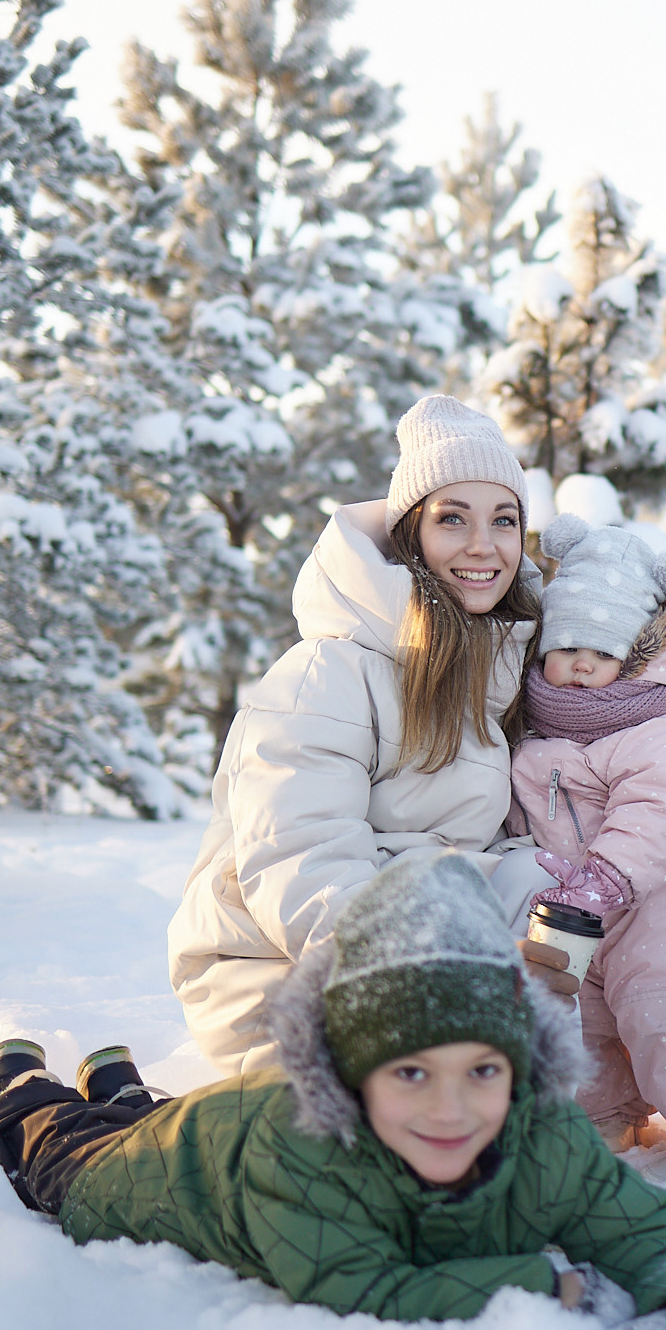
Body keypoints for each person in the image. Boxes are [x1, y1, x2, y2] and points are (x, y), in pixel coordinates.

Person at [0, 852, 666, 1330]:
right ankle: (14, 1082)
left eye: (481, 1071)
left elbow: (649, 1231)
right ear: (350, 1075)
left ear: (522, 1066)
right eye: (411, 1072)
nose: (450, 1108)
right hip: (170, 1171)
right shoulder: (305, 1150)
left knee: (144, 1122)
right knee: (69, 1155)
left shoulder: (544, 1134)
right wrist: (542, 1283)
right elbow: (363, 1283)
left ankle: (121, 1086)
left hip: (216, 1129)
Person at [168, 395, 573, 1077]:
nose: (483, 545)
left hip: (410, 957)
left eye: (504, 520)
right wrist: (443, 973)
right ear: (409, 534)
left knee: (549, 884)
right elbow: (301, 864)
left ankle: (559, 1112)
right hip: (275, 973)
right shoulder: (327, 671)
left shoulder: (491, 674)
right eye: (453, 519)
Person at [510, 515, 666, 1168]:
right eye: (567, 646)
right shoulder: (536, 737)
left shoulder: (658, 729)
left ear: (633, 656)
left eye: (602, 650)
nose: (582, 664)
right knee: (584, 1026)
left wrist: (606, 875)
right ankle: (606, 1125)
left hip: (652, 911)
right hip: (570, 918)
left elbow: (660, 809)